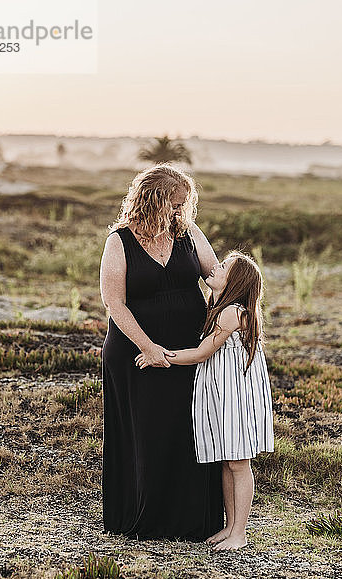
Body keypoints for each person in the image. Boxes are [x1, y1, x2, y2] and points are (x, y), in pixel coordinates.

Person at [100, 163, 224, 541]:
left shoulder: (188, 233)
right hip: (135, 354)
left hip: (188, 353)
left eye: (184, 205)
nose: (179, 212)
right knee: (145, 432)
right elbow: (115, 304)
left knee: (187, 431)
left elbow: (216, 276)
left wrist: (236, 294)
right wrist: (149, 347)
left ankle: (189, 521)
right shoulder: (119, 241)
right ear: (153, 200)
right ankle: (143, 519)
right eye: (174, 204)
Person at [135, 250, 275, 550]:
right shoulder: (221, 306)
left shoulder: (231, 312)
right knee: (229, 462)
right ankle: (229, 526)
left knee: (239, 463)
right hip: (227, 393)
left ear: (234, 282)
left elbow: (200, 354)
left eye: (223, 266)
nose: (215, 266)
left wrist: (159, 355)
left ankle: (240, 532)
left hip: (236, 396)